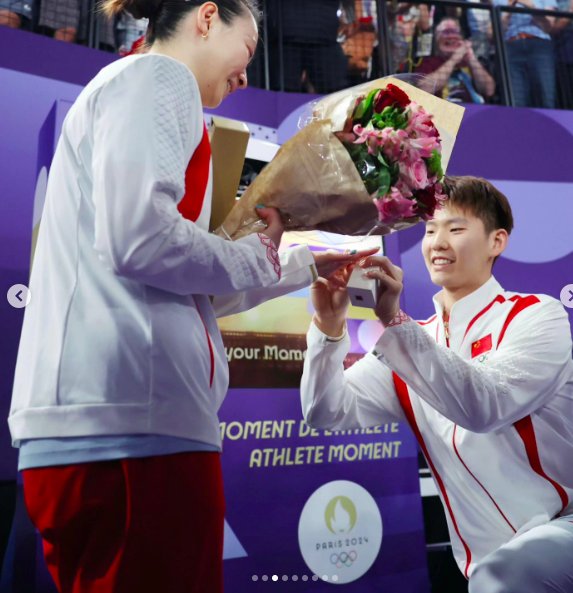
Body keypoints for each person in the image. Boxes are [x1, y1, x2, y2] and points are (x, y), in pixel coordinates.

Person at [7, 1, 373, 591]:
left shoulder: (138, 89)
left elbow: (184, 283)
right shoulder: (157, 76)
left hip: (114, 423)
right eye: (247, 51)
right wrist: (258, 254)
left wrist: (303, 266)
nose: (247, 76)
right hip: (132, 426)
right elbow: (141, 239)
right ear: (207, 18)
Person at [301, 176, 573, 591]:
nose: (438, 242)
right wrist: (328, 328)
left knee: (503, 578)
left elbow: (483, 407)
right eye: (429, 230)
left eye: (456, 229)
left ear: (497, 242)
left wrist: (392, 320)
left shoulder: (535, 316)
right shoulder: (410, 341)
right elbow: (325, 413)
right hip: (487, 565)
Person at [493, 0, 557, 108]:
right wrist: (509, 9)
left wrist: (530, 5)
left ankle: (546, 124)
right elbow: (495, 34)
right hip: (510, 45)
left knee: (545, 94)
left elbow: (548, 26)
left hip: (539, 44)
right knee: (515, 99)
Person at [416, 18, 495, 103]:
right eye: (446, 32)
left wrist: (471, 58)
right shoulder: (428, 62)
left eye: (455, 32)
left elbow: (489, 90)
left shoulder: (469, 62)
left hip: (475, 112)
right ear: (437, 40)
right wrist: (454, 58)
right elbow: (424, 88)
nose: (451, 36)